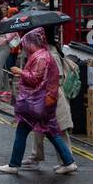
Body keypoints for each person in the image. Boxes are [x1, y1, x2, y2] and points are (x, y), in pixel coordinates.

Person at [0, 29, 78, 175]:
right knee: (51, 132)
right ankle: (68, 162)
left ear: (33, 43)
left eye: (27, 43)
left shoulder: (40, 57)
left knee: (22, 132)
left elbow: (35, 78)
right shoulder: (42, 55)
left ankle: (13, 165)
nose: (25, 47)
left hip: (37, 102)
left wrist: (20, 72)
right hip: (44, 101)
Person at [25, 36, 76, 167]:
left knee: (60, 130)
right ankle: (36, 155)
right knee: (39, 127)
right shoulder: (44, 53)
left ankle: (68, 161)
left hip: (54, 96)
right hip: (45, 95)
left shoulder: (52, 54)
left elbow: (56, 77)